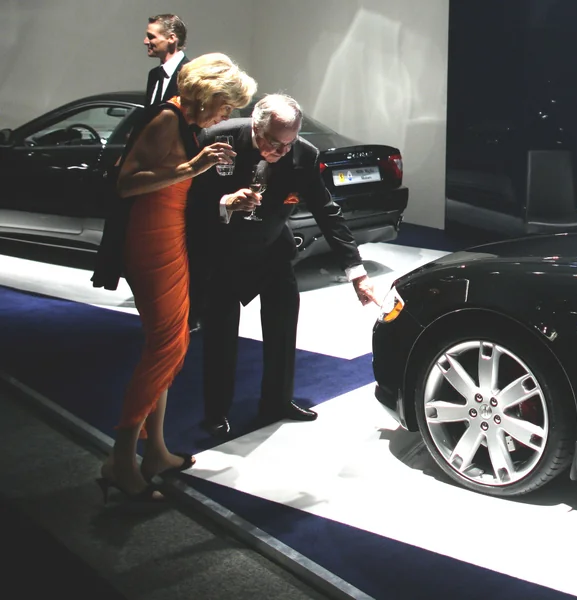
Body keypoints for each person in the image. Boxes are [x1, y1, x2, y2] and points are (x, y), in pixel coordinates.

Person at [92, 53, 257, 503]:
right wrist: (192, 167)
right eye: (226, 105)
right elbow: (127, 182)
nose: (227, 115)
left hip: (170, 238)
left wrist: (223, 194)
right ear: (209, 94)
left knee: (172, 343)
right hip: (148, 241)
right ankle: (120, 460)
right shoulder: (166, 118)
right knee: (166, 345)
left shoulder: (185, 125)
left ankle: (156, 452)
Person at [187, 93, 380, 438]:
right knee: (220, 338)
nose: (281, 152)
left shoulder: (304, 154)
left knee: (282, 328)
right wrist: (224, 203)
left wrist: (357, 272)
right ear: (256, 126)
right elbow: (188, 199)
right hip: (222, 253)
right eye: (273, 143)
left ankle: (277, 401)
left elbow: (327, 212)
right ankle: (216, 412)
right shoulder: (218, 138)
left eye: (288, 144)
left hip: (272, 250)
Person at [143, 14, 190, 107]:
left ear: (171, 38)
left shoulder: (190, 74)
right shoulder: (154, 74)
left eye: (151, 37)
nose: (145, 41)